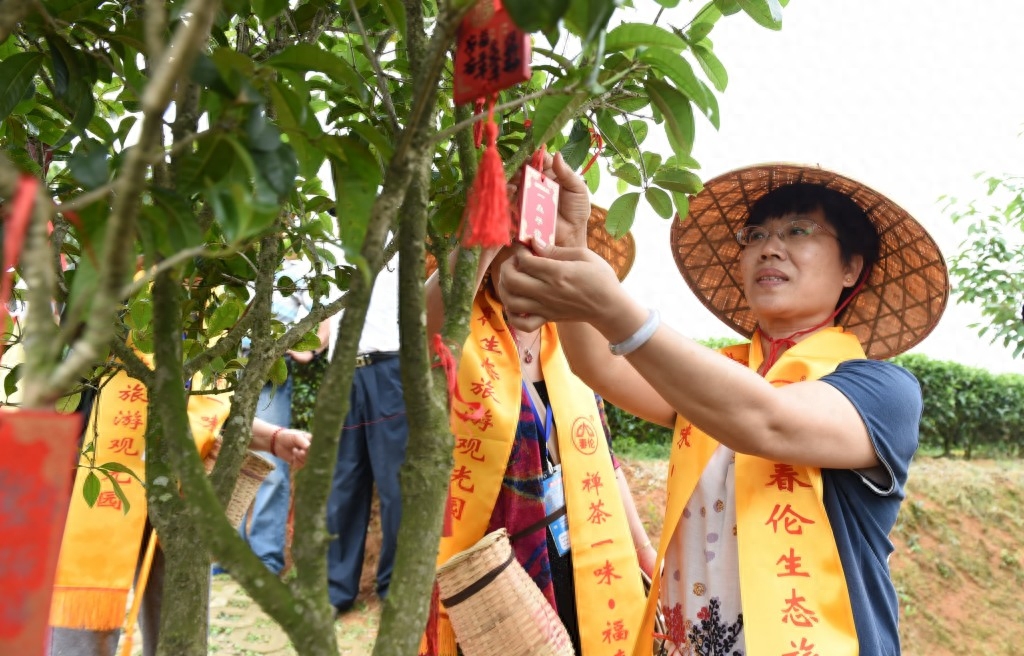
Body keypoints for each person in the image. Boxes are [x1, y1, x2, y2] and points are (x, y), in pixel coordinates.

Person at [496, 161, 949, 655]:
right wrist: (572, 246)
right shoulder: (715, 377)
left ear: (851, 268)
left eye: (799, 230)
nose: (769, 247)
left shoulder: (883, 391)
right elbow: (599, 367)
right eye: (754, 235)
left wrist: (612, 306)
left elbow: (765, 420)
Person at [422, 186, 655, 656]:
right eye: (513, 248)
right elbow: (429, 313)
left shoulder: (575, 349)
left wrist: (643, 549)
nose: (531, 269)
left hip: (581, 553)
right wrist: (494, 219)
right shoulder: (457, 339)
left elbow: (604, 462)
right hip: (493, 574)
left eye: (545, 253)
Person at [235, 253, 331, 576]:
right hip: (229, 366)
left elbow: (325, 312)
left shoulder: (302, 266)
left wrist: (309, 351)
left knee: (272, 465)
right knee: (223, 455)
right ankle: (224, 554)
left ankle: (265, 558)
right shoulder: (240, 255)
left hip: (271, 368)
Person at [325, 258, 409, 615]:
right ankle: (336, 592)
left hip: (388, 368)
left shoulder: (396, 241)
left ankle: (393, 588)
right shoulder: (327, 245)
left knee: (395, 486)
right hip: (342, 371)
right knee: (343, 484)